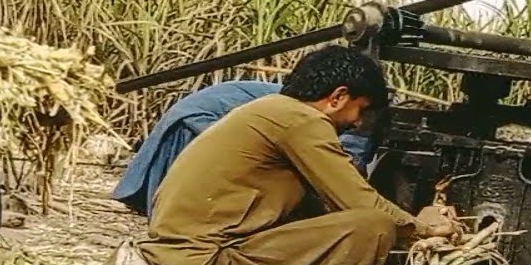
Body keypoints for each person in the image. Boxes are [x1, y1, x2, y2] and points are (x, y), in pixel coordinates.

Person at [132, 45, 461, 265]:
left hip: (185, 259)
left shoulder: (272, 110)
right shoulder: (301, 121)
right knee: (372, 227)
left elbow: (328, 206)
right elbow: (361, 203)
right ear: (338, 97)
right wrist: (426, 227)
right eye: (360, 110)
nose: (358, 123)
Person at [112, 80, 380, 219]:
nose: (357, 121)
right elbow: (343, 164)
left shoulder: (311, 105)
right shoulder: (304, 115)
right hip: (197, 122)